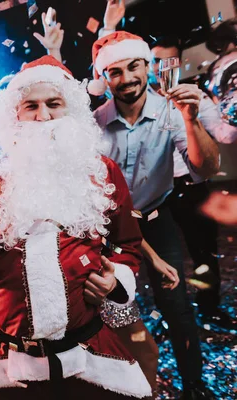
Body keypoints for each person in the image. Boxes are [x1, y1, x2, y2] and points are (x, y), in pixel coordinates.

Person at [0, 55, 151, 399]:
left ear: (70, 110)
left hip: (85, 354)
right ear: (15, 116)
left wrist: (114, 281)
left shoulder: (103, 173)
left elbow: (128, 245)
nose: (43, 117)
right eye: (30, 106)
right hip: (4, 363)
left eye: (53, 104)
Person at [90, 30, 220, 399]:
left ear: (147, 66)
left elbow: (205, 169)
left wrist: (192, 120)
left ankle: (193, 386)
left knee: (176, 304)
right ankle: (118, 387)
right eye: (115, 71)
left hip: (155, 215)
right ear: (105, 77)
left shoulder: (170, 112)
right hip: (108, 225)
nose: (127, 78)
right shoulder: (93, 126)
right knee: (113, 308)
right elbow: (106, 205)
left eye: (134, 66)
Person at [100, 0, 237, 328]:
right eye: (157, 62)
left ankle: (209, 308)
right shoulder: (118, 108)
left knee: (202, 251)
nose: (163, 69)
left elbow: (223, 135)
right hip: (144, 198)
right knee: (146, 262)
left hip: (187, 186)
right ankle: (149, 317)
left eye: (169, 62)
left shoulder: (191, 97)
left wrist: (225, 109)